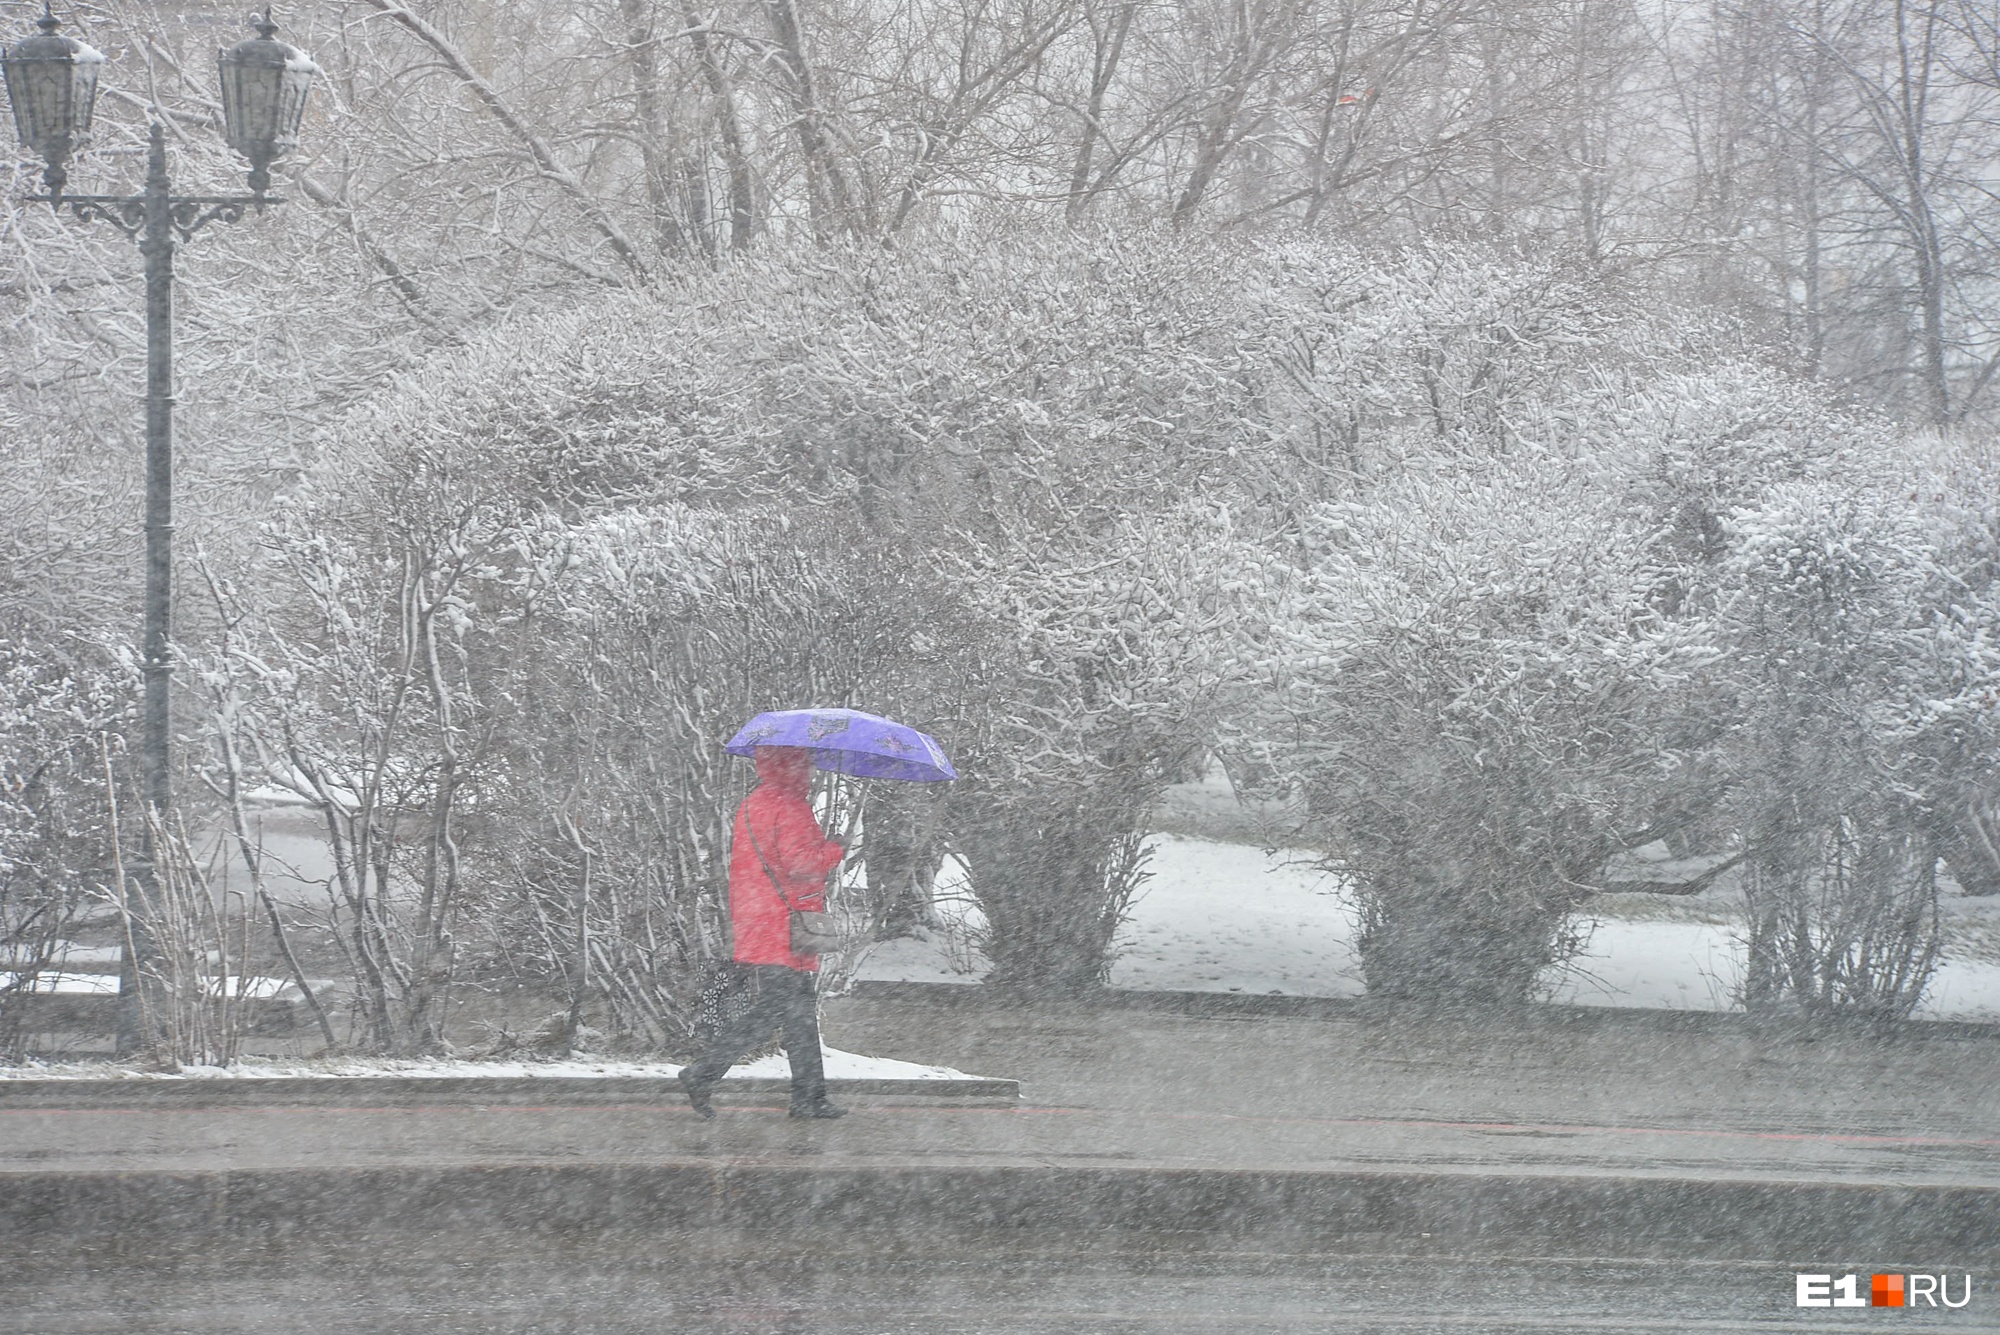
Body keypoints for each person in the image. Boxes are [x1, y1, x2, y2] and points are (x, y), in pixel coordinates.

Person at [679, 745, 848, 1120]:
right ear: (792, 767)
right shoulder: (791, 806)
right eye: (803, 764)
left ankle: (809, 1098)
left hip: (759, 918)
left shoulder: (753, 803)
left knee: (799, 1014)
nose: (809, 772)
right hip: (783, 925)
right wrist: (834, 849)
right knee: (775, 1011)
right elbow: (801, 864)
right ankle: (702, 1074)